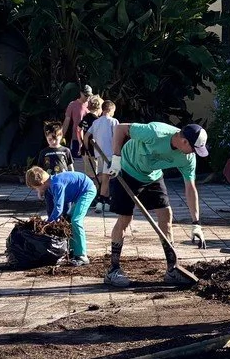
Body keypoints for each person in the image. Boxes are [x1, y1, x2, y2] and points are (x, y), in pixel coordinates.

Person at [105, 121, 208, 288]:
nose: (194, 154)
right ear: (184, 142)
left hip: (151, 176)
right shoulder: (155, 132)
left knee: (166, 215)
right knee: (125, 219)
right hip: (126, 170)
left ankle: (171, 269)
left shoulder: (188, 158)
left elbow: (190, 187)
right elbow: (121, 128)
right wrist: (116, 158)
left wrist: (196, 224)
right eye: (194, 149)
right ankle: (113, 270)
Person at [26, 166, 99, 266]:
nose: (37, 191)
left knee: (76, 221)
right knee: (68, 220)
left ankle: (82, 256)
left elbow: (59, 208)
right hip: (78, 195)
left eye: (36, 188)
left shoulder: (57, 184)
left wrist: (48, 224)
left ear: (42, 183)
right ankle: (73, 251)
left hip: (87, 191)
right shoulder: (51, 184)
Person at [87, 98, 119, 210]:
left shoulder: (95, 122)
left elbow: (86, 136)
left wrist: (87, 149)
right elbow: (117, 137)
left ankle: (107, 202)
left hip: (98, 153)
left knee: (104, 177)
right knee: (106, 178)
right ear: (110, 110)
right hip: (109, 153)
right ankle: (100, 201)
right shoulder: (113, 121)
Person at [62, 85, 94, 159]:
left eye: (89, 95)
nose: (87, 98)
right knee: (76, 161)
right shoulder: (72, 104)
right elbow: (67, 120)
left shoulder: (92, 104)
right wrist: (62, 135)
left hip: (90, 138)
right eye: (85, 95)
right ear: (81, 93)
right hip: (76, 137)